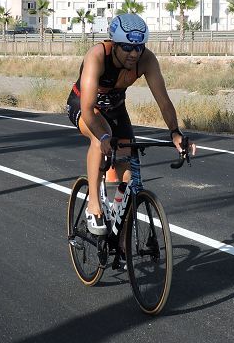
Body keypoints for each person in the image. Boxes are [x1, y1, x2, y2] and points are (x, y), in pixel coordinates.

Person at [67, 13, 190, 234]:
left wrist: (175, 132)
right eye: (127, 47)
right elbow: (87, 109)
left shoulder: (147, 59)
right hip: (84, 104)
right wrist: (104, 138)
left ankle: (120, 232)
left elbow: (163, 101)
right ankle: (94, 205)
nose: (134, 53)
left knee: (127, 172)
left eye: (139, 47)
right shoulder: (97, 56)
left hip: (115, 108)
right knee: (99, 137)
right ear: (114, 44)